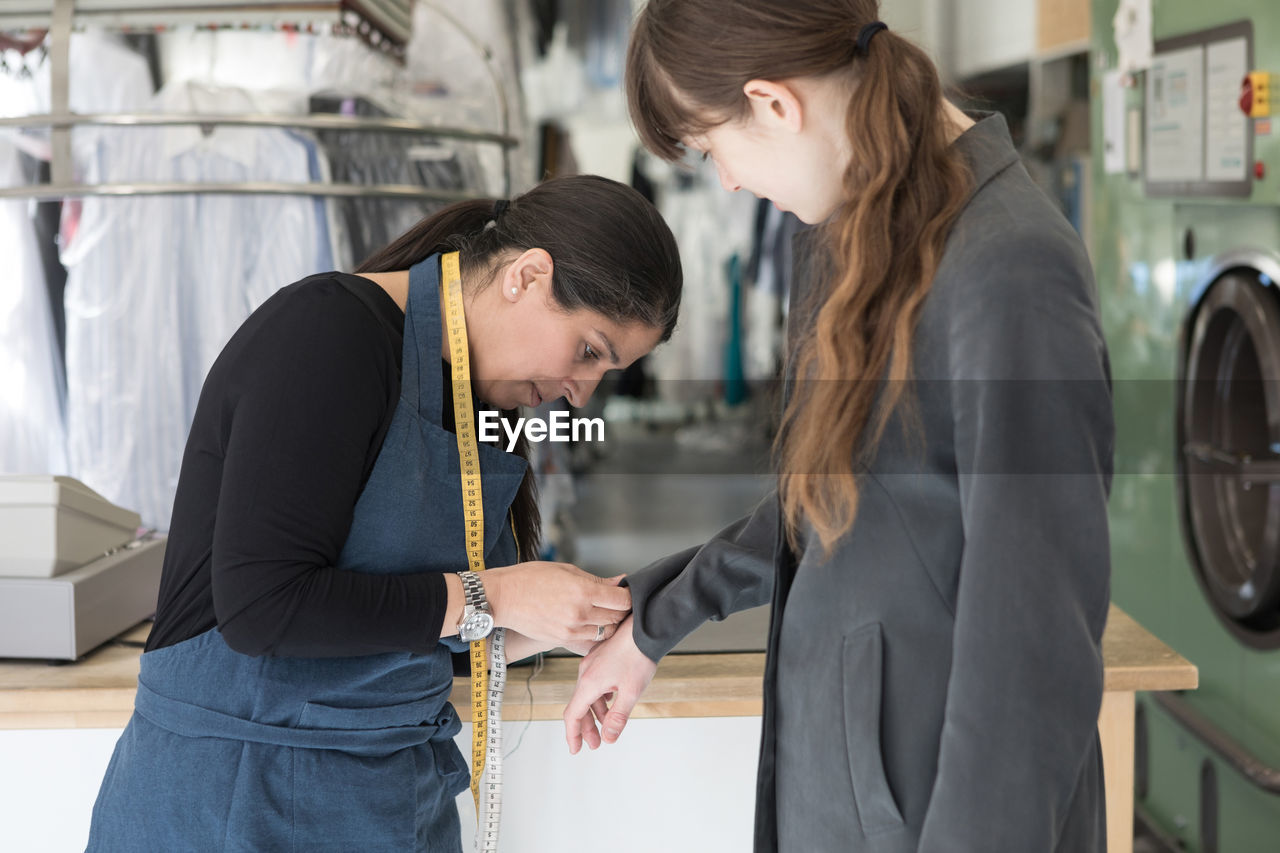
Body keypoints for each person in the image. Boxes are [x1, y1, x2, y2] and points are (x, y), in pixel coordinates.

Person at [565, 3, 1113, 852]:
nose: (731, 184)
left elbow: (1033, 646)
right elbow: (823, 506)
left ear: (775, 104)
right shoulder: (855, 242)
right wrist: (652, 620)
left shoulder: (1009, 266)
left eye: (714, 149)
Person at [86, 174, 683, 852]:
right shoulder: (327, 332)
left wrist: (571, 622)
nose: (580, 395)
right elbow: (262, 606)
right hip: (235, 798)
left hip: (393, 802)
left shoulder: (480, 405)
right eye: (587, 351)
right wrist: (499, 593)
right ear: (527, 275)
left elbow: (415, 633)